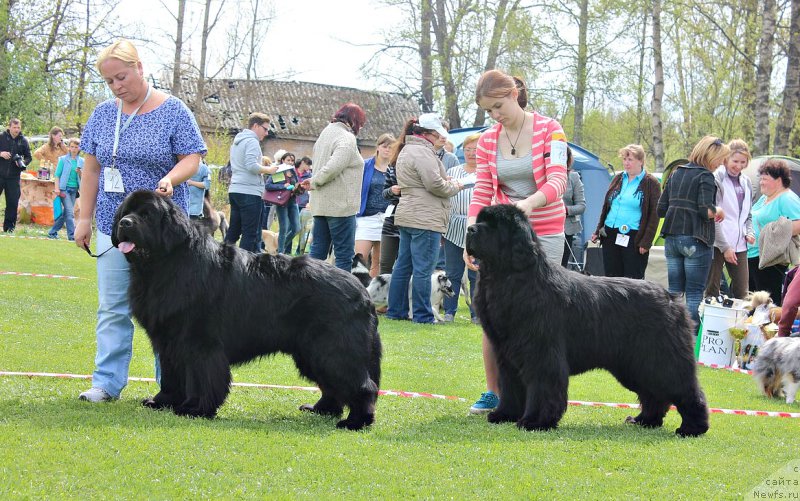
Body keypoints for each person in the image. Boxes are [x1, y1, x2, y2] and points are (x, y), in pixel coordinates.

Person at [73, 38, 207, 403]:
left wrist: (171, 178)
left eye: (122, 77)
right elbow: (91, 169)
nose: (117, 86)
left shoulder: (174, 110)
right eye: (109, 81)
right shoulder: (103, 114)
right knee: (113, 306)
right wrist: (84, 219)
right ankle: (106, 382)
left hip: (163, 232)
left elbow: (192, 158)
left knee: (172, 309)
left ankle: (173, 386)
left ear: (140, 68)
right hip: (113, 223)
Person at [464, 69, 569, 414]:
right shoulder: (487, 141)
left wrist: (529, 204)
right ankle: (495, 393)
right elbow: (482, 190)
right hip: (500, 240)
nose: (494, 115)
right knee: (494, 313)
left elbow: (558, 180)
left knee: (540, 318)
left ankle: (539, 394)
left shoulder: (551, 130)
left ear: (514, 94)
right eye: (488, 111)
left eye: (498, 106)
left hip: (545, 230)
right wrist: (472, 234)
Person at [385, 114, 463, 324]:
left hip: (409, 214)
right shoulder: (423, 152)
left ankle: (396, 311)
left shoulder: (407, 148)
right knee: (423, 268)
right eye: (438, 133)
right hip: (425, 217)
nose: (441, 137)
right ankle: (422, 315)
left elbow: (422, 181)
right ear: (429, 133)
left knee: (403, 266)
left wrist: (444, 180)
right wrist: (455, 186)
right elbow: (435, 185)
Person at [657, 136, 727, 331]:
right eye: (720, 158)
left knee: (674, 293)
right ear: (710, 155)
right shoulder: (705, 176)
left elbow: (660, 210)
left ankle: (671, 333)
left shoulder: (676, 173)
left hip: (672, 238)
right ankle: (691, 337)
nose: (721, 163)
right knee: (695, 293)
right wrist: (719, 210)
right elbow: (706, 211)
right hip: (696, 238)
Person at [302, 102, 366, 271]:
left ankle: (308, 284)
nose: (360, 127)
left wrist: (314, 182)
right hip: (340, 206)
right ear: (354, 120)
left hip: (321, 204)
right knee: (344, 255)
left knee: (317, 252)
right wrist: (314, 181)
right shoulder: (346, 138)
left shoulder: (325, 133)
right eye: (360, 123)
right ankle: (341, 288)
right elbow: (334, 166)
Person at [591, 144, 661, 279]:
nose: (626, 163)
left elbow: (654, 215)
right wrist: (598, 230)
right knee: (611, 279)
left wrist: (646, 241)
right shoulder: (618, 178)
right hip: (610, 234)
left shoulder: (651, 183)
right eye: (624, 159)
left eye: (630, 159)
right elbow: (606, 206)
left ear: (640, 161)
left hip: (633, 236)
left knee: (632, 280)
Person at [705, 139, 755, 299]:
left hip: (740, 244)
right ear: (726, 159)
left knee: (743, 292)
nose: (739, 166)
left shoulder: (746, 182)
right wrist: (724, 246)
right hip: (717, 242)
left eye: (743, 162)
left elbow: (747, 214)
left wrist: (749, 232)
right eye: (735, 161)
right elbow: (713, 215)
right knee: (712, 291)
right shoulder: (716, 178)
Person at [747, 159, 800, 305]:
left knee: (767, 304)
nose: (761, 183)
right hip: (753, 255)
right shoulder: (765, 197)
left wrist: (774, 233)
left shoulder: (787, 198)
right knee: (751, 303)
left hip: (771, 259)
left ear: (779, 180)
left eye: (765, 179)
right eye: (761, 179)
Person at [225, 113, 278, 253]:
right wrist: (269, 170)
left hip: (235, 189)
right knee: (251, 233)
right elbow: (251, 166)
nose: (266, 133)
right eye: (265, 129)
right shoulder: (252, 141)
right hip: (249, 192)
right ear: (255, 126)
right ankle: (245, 264)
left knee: (233, 231)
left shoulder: (237, 142)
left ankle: (221, 259)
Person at [442, 132, 480, 323]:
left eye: (475, 149)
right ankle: (449, 311)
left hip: (478, 229)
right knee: (452, 272)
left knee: (476, 272)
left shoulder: (487, 172)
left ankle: (477, 313)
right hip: (453, 226)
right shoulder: (453, 171)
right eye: (468, 149)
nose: (471, 153)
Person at [356, 133, 394, 277]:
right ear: (378, 147)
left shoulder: (395, 168)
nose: (387, 150)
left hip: (386, 218)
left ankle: (373, 288)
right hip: (366, 217)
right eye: (384, 146)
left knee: (379, 262)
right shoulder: (365, 166)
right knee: (359, 258)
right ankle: (356, 285)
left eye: (390, 147)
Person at [266, 152, 302, 254]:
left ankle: (280, 247)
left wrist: (298, 188)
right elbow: (268, 185)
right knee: (284, 229)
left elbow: (294, 184)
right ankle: (280, 253)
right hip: (282, 202)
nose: (290, 162)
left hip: (293, 202)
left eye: (292, 161)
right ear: (283, 160)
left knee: (297, 228)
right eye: (288, 160)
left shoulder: (293, 171)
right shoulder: (279, 171)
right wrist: (283, 186)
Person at [0, 118, 32, 233]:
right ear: (9, 127)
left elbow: (29, 157)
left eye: (18, 127)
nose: (16, 130)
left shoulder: (23, 140)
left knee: (12, 203)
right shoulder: (1, 137)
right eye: (14, 127)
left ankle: (9, 229)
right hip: (0, 174)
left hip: (14, 177)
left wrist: (22, 162)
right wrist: (1, 153)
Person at [48, 137, 83, 240]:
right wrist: (57, 189)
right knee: (70, 213)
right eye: (72, 147)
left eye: (76, 147)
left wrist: (80, 172)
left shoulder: (82, 161)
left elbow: (84, 178)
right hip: (64, 190)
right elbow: (57, 175)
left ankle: (52, 232)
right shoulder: (63, 159)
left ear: (79, 148)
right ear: (69, 147)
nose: (74, 149)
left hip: (74, 190)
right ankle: (72, 236)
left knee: (66, 213)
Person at [561, 147, 586, 270]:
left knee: (561, 267)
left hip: (566, 230)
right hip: (543, 228)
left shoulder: (573, 177)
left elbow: (581, 206)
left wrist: (565, 210)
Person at [379, 161, 401, 275]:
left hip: (412, 218)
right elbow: (384, 193)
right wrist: (391, 190)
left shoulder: (420, 163)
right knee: (384, 263)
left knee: (403, 263)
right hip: (391, 219)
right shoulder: (392, 166)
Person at [294, 156, 313, 254]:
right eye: (308, 164)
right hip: (292, 202)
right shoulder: (292, 172)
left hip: (304, 204)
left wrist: (309, 202)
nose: (309, 167)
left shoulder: (309, 176)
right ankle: (287, 248)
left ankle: (299, 249)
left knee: (303, 229)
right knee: (292, 227)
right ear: (302, 163)